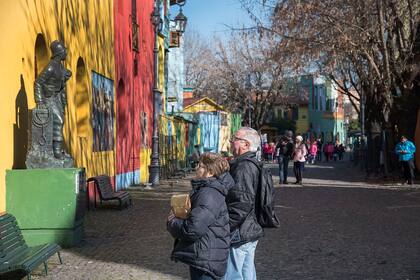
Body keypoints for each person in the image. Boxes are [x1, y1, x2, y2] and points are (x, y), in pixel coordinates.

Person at [167, 152, 235, 280]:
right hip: (207, 253)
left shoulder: (208, 194)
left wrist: (172, 222)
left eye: (200, 166)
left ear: (209, 172)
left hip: (206, 257)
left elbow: (192, 229)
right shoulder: (208, 191)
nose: (196, 168)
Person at [223, 127, 264, 280]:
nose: (231, 142)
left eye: (234, 139)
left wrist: (225, 227)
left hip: (240, 230)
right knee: (247, 274)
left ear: (245, 144)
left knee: (233, 275)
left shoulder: (244, 167)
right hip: (249, 228)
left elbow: (241, 203)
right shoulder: (249, 163)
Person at [34, 40, 72, 159]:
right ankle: (56, 152)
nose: (66, 51)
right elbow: (38, 82)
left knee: (61, 122)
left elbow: (62, 81)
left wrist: (65, 76)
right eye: (64, 50)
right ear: (59, 52)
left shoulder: (60, 67)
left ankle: (57, 150)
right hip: (48, 98)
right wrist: (39, 101)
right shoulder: (51, 67)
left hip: (57, 98)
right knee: (59, 121)